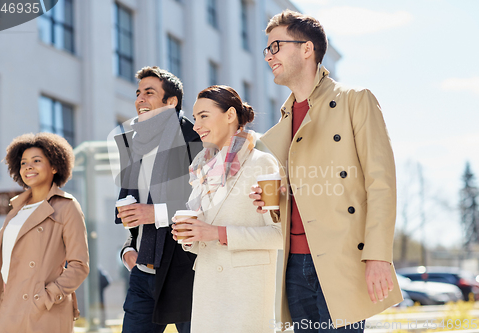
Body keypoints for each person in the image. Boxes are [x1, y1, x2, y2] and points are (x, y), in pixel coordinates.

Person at [250, 10, 403, 332]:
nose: (269, 57)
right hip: (292, 264)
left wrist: (378, 256)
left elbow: (382, 184)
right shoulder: (281, 126)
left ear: (306, 49)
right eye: (267, 49)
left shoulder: (355, 101)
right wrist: (276, 197)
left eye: (275, 46)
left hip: (341, 258)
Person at [171, 85, 282, 332]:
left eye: (204, 116)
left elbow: (280, 234)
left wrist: (216, 233)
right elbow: (204, 232)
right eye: (195, 117)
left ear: (230, 115)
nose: (196, 124)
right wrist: (189, 236)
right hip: (207, 292)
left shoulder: (261, 163)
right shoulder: (202, 168)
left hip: (245, 294)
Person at [114, 66, 202, 333]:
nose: (140, 98)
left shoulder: (195, 138)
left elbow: (204, 203)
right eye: (138, 93)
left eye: (149, 93)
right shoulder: (133, 143)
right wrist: (128, 249)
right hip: (142, 275)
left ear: (171, 102)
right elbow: (131, 207)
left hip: (185, 272)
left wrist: (154, 214)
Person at [0, 133, 89, 333]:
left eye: (36, 161)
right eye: (23, 163)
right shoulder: (16, 210)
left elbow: (79, 265)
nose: (28, 166)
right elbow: (7, 272)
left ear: (54, 166)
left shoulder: (67, 206)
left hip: (42, 310)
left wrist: (46, 296)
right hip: (8, 307)